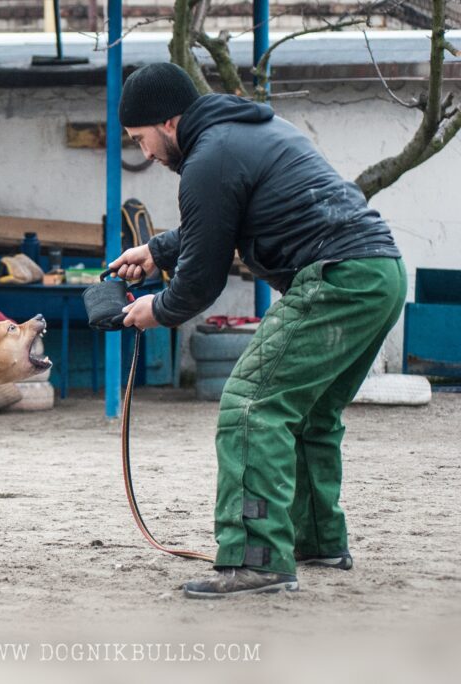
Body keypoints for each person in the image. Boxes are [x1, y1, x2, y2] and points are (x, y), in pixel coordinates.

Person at [110, 63, 405, 598]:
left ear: (168, 122)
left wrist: (157, 309)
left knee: (251, 403)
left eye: (141, 139)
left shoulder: (209, 158)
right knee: (308, 412)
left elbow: (200, 282)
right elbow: (220, 219)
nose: (146, 154)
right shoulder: (246, 131)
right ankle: (317, 540)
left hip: (336, 276)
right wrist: (155, 251)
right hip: (379, 274)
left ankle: (256, 560)